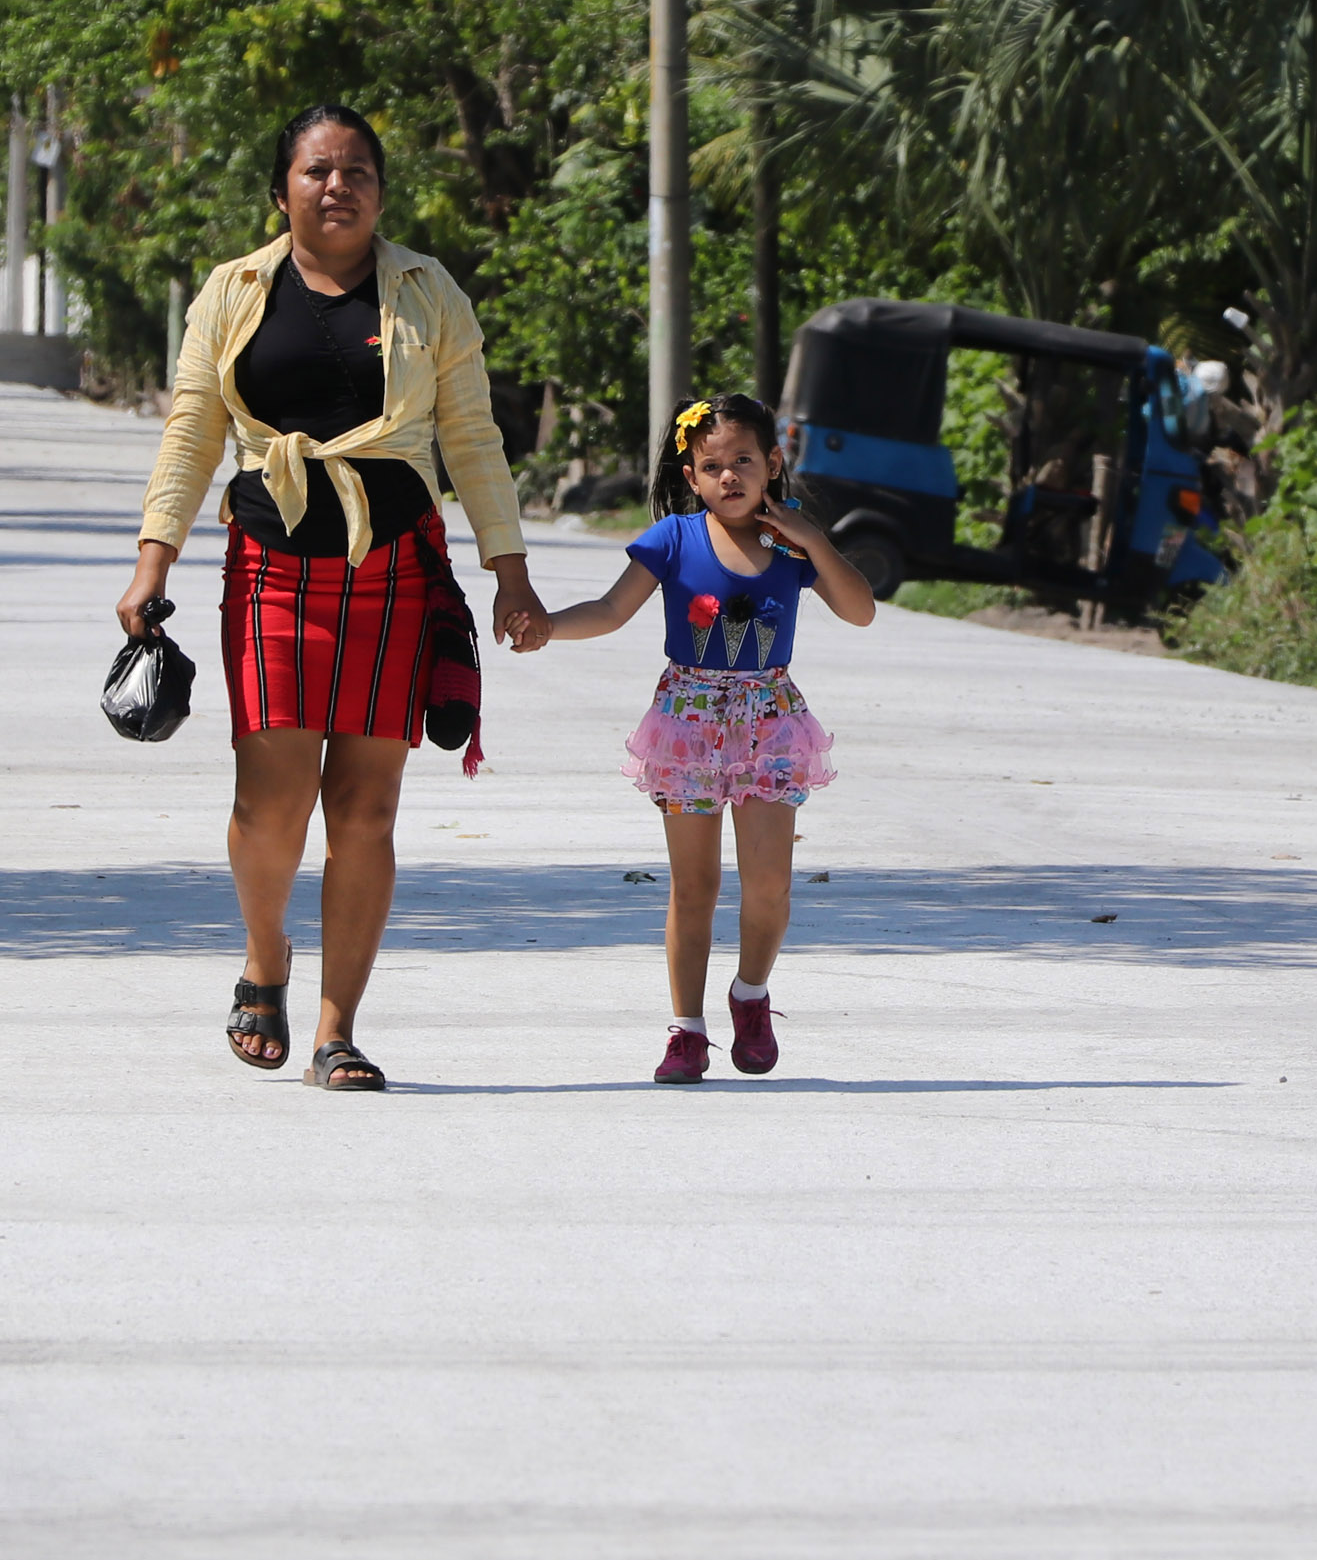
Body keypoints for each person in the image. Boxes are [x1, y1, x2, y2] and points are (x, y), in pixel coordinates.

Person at [120, 102, 546, 1093]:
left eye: (356, 170)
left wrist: (509, 568)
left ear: (381, 190)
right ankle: (263, 958)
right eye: (317, 171)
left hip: (393, 565)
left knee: (364, 809)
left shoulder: (426, 290)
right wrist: (154, 558)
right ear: (283, 192)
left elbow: (471, 436)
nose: (337, 185)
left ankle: (336, 1030)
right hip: (270, 565)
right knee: (270, 804)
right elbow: (191, 428)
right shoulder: (232, 292)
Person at [533, 392, 874, 1082]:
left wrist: (814, 540)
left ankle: (750, 994)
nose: (730, 476)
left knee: (769, 884)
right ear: (691, 476)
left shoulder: (791, 545)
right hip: (687, 721)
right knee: (695, 888)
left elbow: (861, 611)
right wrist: (547, 625)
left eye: (744, 460)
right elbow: (609, 608)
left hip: (770, 719)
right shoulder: (673, 539)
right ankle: (686, 1029)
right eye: (712, 464)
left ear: (773, 464)